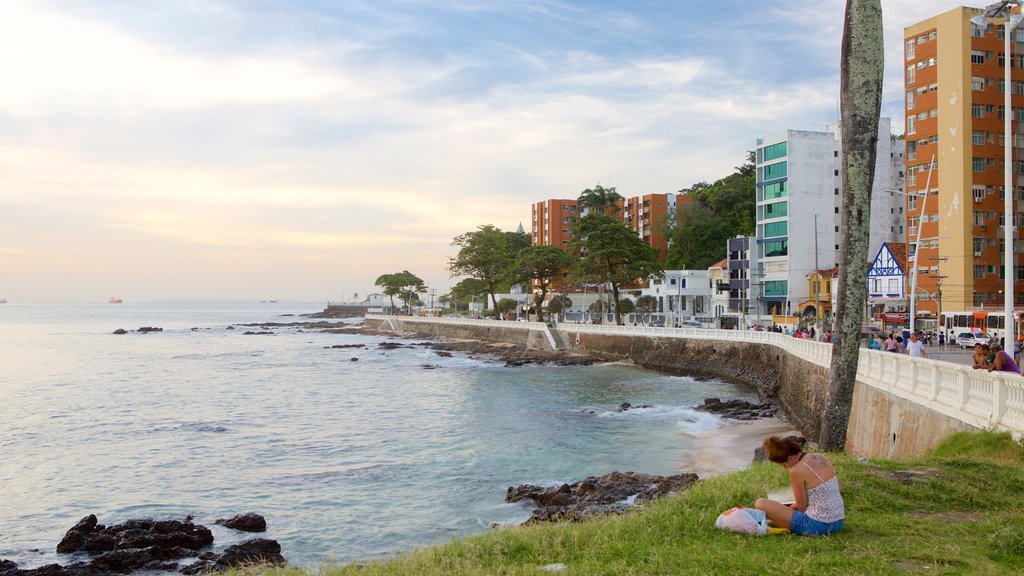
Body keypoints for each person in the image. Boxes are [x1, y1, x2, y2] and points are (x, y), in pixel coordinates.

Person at [754, 436, 844, 536]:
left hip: (818, 526)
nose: (785, 468)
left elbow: (801, 507)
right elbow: (839, 490)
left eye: (784, 465)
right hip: (838, 522)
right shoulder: (820, 457)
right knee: (777, 512)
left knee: (760, 503)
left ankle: (770, 521)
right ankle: (772, 521)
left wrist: (785, 510)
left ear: (790, 458)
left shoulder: (796, 471)